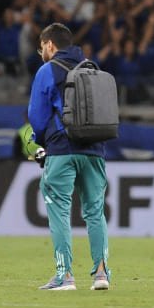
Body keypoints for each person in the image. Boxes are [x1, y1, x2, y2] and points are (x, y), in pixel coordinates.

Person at [28, 22, 110, 291]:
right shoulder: (92, 68)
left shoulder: (46, 70)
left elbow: (37, 117)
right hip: (95, 149)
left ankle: (65, 276)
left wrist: (42, 143)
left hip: (62, 149)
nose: (42, 53)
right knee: (95, 212)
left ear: (50, 45)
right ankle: (101, 274)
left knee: (60, 212)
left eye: (42, 48)